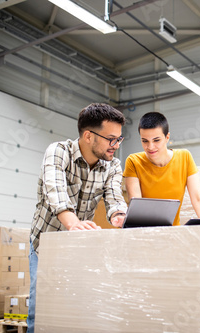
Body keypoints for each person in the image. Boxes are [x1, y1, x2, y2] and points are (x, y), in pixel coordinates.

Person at [27, 103, 128, 333]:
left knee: (75, 305)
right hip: (45, 243)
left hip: (78, 246)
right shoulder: (58, 152)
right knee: (40, 308)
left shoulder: (112, 165)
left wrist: (119, 216)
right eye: (111, 139)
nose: (116, 145)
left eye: (119, 139)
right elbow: (55, 192)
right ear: (88, 135)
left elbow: (114, 197)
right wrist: (73, 224)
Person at [123, 111, 200, 225]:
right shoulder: (133, 161)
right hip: (144, 232)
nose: (150, 147)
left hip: (173, 233)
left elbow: (198, 199)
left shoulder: (184, 157)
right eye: (145, 141)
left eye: (156, 140)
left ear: (167, 137)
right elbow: (137, 207)